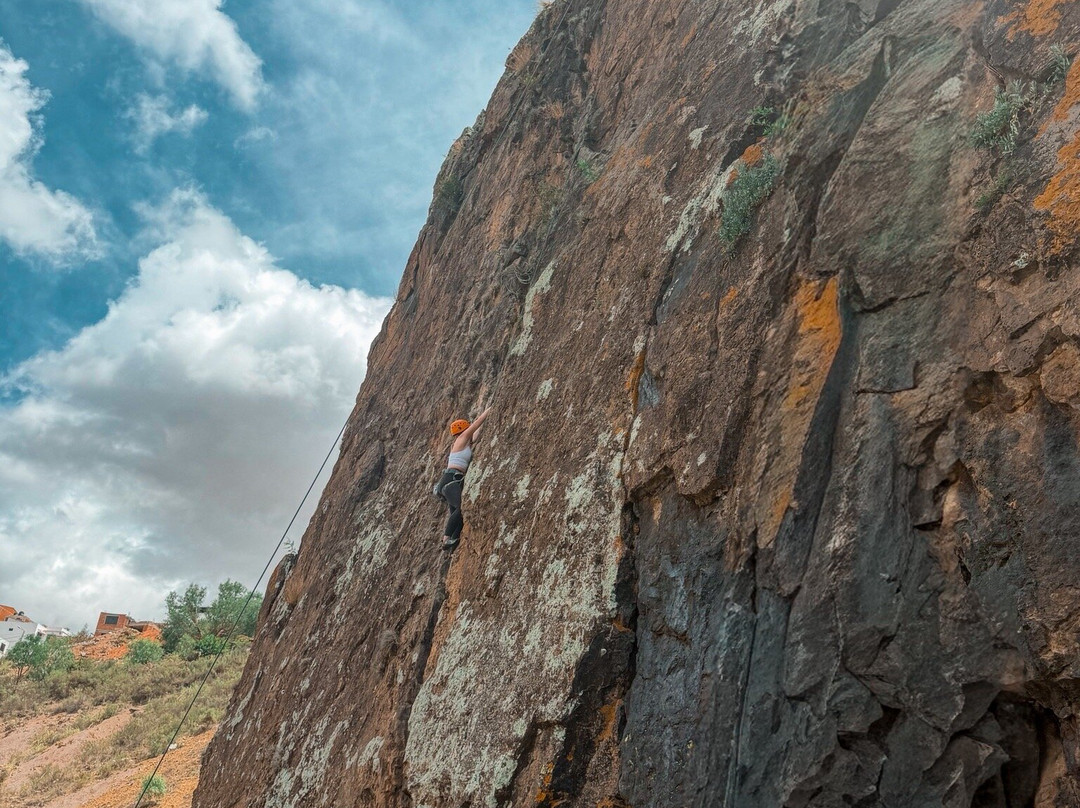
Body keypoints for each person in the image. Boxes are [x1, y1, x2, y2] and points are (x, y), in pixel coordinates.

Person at [435, 407, 491, 550]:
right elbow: (477, 424)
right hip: (450, 480)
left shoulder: (465, 442)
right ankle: (446, 538)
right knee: (461, 508)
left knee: (457, 516)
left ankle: (453, 540)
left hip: (449, 481)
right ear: (464, 429)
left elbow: (476, 434)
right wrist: (489, 410)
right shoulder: (461, 439)